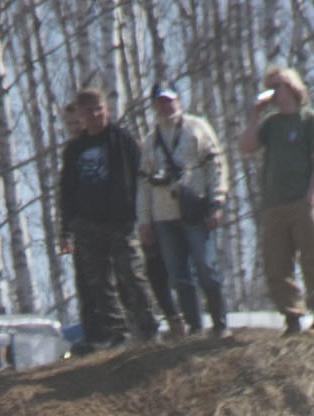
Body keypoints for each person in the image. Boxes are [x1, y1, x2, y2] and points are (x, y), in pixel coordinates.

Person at [57, 87, 159, 350]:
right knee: (99, 284)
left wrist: (145, 214)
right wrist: (66, 229)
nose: (94, 115)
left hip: (120, 221)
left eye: (98, 109)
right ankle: (116, 333)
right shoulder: (74, 150)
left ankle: (148, 328)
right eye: (88, 111)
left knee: (132, 275)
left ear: (106, 109)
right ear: (81, 114)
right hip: (87, 225)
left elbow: (142, 176)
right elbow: (66, 191)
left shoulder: (121, 139)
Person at [244, 67, 314, 334]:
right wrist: (255, 115)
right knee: (276, 263)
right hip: (274, 204)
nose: (272, 93)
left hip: (302, 200)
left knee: (312, 258)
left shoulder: (310, 121)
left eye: (276, 87)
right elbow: (246, 147)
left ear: (291, 88)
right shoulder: (270, 124)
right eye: (269, 87)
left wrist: (311, 195)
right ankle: (292, 316)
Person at [142, 83, 231, 337]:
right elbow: (143, 185)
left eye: (169, 100)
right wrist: (144, 221)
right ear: (154, 106)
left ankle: (220, 322)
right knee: (178, 274)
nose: (166, 106)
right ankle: (194, 326)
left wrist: (217, 201)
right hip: (163, 215)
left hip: (193, 209)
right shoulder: (150, 142)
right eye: (160, 102)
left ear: (178, 100)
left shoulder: (197, 128)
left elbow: (217, 165)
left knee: (206, 266)